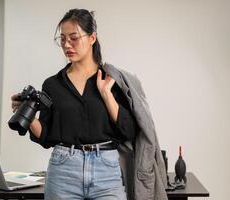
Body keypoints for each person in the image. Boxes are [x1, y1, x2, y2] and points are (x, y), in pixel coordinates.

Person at [11, 8, 138, 200]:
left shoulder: (113, 80)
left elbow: (128, 131)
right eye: (62, 39)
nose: (67, 45)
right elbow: (46, 136)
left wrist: (106, 94)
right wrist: (27, 116)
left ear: (92, 38)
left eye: (73, 38)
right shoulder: (52, 84)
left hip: (107, 172)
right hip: (63, 172)